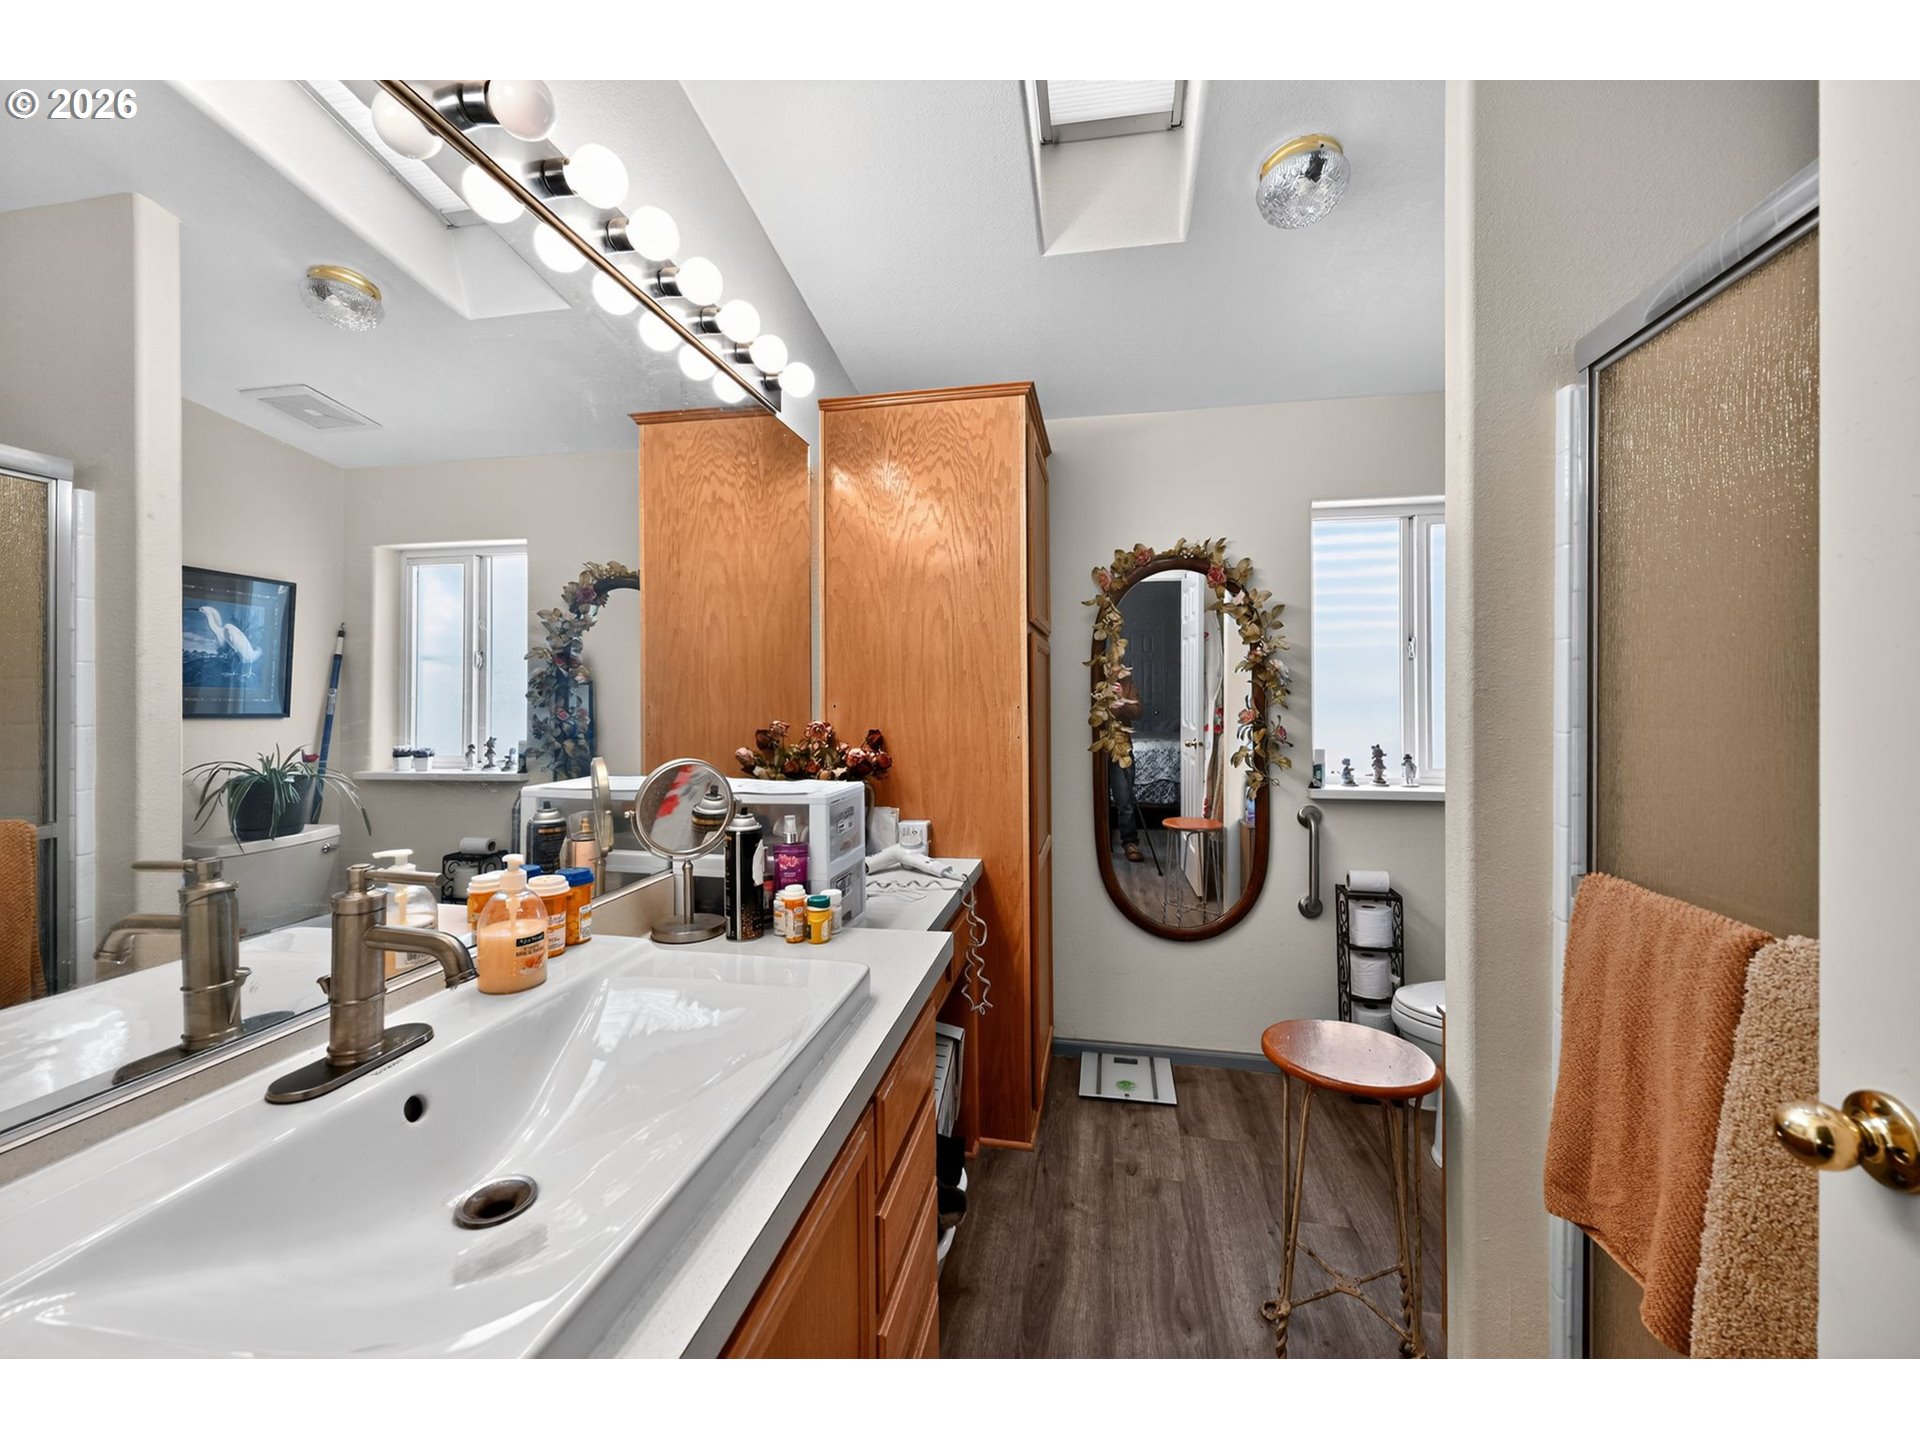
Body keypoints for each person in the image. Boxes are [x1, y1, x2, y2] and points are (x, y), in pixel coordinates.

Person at [1109, 676, 1145, 862]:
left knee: (1125, 798)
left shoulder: (1127, 683)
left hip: (1121, 747)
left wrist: (1122, 701)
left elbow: (1138, 712)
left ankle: (1130, 842)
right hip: (1096, 748)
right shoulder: (1094, 679)